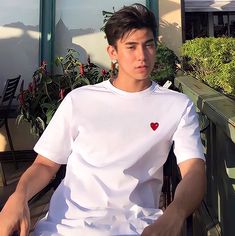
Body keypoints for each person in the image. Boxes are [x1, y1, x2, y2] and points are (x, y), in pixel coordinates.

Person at [0, 3, 206, 236]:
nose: (142, 56)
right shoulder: (80, 100)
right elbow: (46, 165)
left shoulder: (176, 106)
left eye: (148, 45)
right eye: (131, 47)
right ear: (113, 53)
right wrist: (18, 196)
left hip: (137, 227)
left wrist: (176, 213)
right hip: (65, 227)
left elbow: (194, 170)